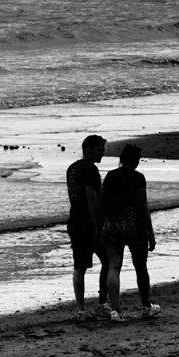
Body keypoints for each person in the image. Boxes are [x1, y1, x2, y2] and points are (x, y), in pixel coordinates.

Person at [97, 143, 160, 323]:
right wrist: (150, 232)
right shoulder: (138, 178)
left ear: (122, 159)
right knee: (140, 266)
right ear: (136, 161)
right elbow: (143, 205)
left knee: (114, 266)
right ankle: (146, 306)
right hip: (134, 225)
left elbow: (102, 203)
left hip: (112, 225)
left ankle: (115, 310)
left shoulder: (110, 176)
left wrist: (101, 226)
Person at [65, 134, 107, 317]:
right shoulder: (90, 169)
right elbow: (92, 198)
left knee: (79, 266)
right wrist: (99, 224)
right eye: (100, 149)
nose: (102, 153)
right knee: (108, 261)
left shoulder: (72, 168)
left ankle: (81, 308)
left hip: (74, 220)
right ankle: (102, 303)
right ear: (89, 149)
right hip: (88, 222)